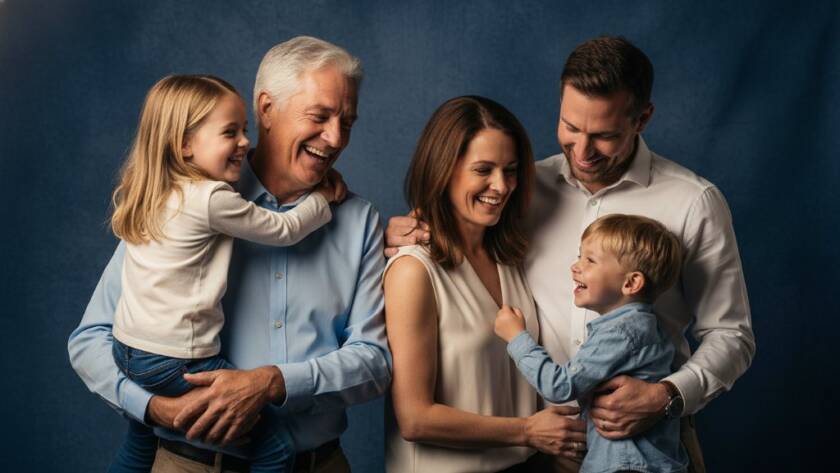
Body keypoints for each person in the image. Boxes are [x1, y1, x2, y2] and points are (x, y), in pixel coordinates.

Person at [386, 36, 755, 473]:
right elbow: (456, 218)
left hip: (649, 445)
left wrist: (666, 396)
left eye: (604, 136)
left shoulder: (693, 202)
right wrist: (406, 228)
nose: (582, 152)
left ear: (642, 118)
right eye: (571, 128)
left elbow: (731, 335)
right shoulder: (523, 190)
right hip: (548, 451)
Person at [69, 36, 391, 473]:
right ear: (267, 109)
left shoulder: (359, 222)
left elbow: (374, 361)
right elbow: (92, 339)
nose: (335, 138)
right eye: (319, 116)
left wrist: (274, 382)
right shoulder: (178, 205)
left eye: (347, 123)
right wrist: (153, 409)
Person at [106, 74, 346, 472]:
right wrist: (321, 198)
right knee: (275, 447)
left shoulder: (152, 191)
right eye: (230, 132)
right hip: (177, 360)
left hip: (128, 350)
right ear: (184, 145)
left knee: (140, 439)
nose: (245, 142)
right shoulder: (210, 197)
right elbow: (283, 229)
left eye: (245, 130)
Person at [384, 95, 587, 473]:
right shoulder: (413, 271)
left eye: (510, 170)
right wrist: (527, 431)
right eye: (483, 170)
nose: (501, 186)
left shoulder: (509, 258)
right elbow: (414, 418)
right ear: (443, 169)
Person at [495, 214, 688, 473]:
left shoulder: (620, 332)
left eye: (590, 260)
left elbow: (559, 386)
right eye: (579, 256)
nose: (575, 267)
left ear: (631, 283)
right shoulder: (646, 326)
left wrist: (517, 337)